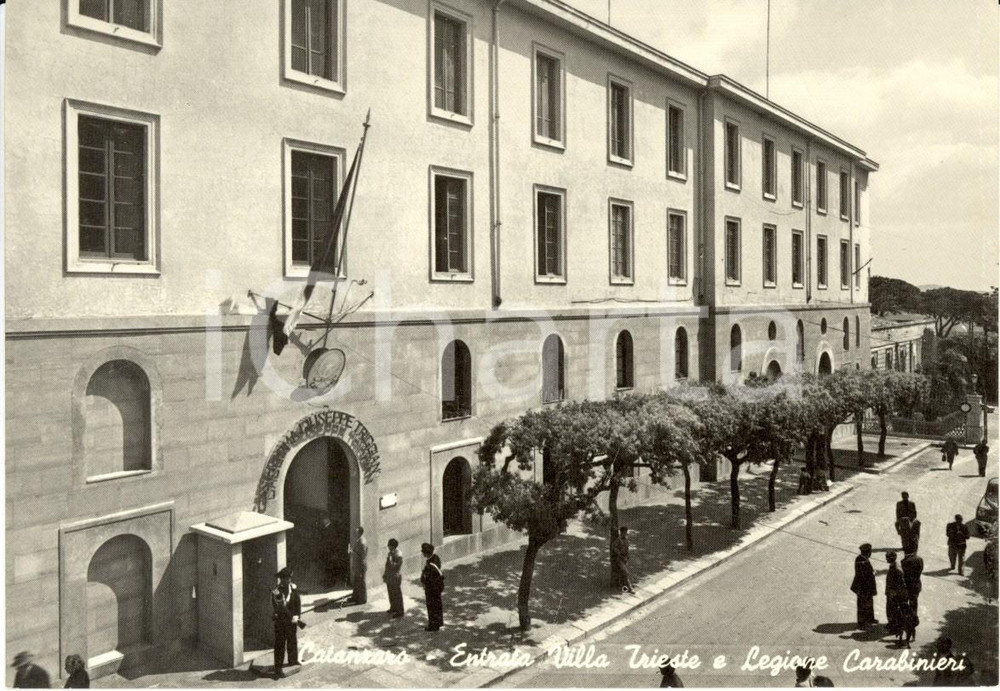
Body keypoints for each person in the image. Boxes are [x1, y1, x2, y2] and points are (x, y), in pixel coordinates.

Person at [271, 566, 301, 678]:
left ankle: (293, 661)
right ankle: (278, 667)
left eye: (288, 578)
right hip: (281, 623)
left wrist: (297, 616)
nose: (288, 580)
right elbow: (276, 607)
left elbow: (298, 603)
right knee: (279, 644)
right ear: (281, 579)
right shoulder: (276, 592)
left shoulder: (293, 589)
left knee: (292, 641)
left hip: (292, 622)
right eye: (285, 578)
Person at [850, 543, 878, 629]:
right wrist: (873, 573)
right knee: (863, 604)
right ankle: (862, 623)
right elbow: (863, 575)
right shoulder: (861, 561)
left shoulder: (863, 559)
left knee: (869, 603)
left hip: (866, 587)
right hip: (863, 587)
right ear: (867, 552)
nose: (871, 553)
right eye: (870, 552)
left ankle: (870, 618)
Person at [419, 543, 444, 631]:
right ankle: (438, 623)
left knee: (431, 607)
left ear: (426, 553)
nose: (422, 554)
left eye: (423, 552)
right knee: (437, 606)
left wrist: (423, 580)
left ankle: (433, 626)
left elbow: (428, 578)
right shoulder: (435, 558)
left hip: (431, 589)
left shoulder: (430, 565)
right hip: (437, 588)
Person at [884, 551, 908, 640]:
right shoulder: (893, 566)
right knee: (890, 609)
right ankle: (891, 624)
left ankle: (894, 627)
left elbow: (901, 584)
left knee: (893, 610)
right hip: (891, 592)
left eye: (887, 557)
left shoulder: (897, 569)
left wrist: (894, 594)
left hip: (894, 594)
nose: (886, 559)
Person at [611, 526, 635, 594]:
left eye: (626, 532)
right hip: (619, 559)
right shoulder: (618, 540)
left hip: (625, 559)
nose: (625, 533)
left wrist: (627, 556)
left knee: (623, 574)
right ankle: (630, 588)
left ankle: (622, 586)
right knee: (625, 573)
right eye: (624, 532)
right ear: (621, 532)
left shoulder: (626, 540)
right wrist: (619, 554)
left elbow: (627, 549)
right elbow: (614, 548)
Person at [901, 551, 924, 624]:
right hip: (917, 584)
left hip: (908, 586)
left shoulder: (904, 561)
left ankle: (907, 618)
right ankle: (914, 618)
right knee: (914, 603)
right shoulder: (920, 559)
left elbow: (904, 574)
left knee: (905, 602)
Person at [383, 538, 404, 617]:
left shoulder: (398, 555)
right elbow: (387, 566)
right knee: (391, 593)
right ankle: (393, 607)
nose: (388, 547)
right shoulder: (390, 553)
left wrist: (390, 559)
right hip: (390, 577)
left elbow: (396, 567)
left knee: (397, 594)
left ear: (393, 546)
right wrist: (385, 574)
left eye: (389, 545)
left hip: (395, 577)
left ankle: (400, 611)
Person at [350, 526, 368, 604]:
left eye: (356, 532)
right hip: (357, 565)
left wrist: (352, 553)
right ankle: (355, 597)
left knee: (361, 583)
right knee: (356, 582)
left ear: (360, 533)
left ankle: (362, 599)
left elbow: (362, 556)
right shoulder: (358, 541)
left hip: (360, 566)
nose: (355, 533)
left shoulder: (362, 542)